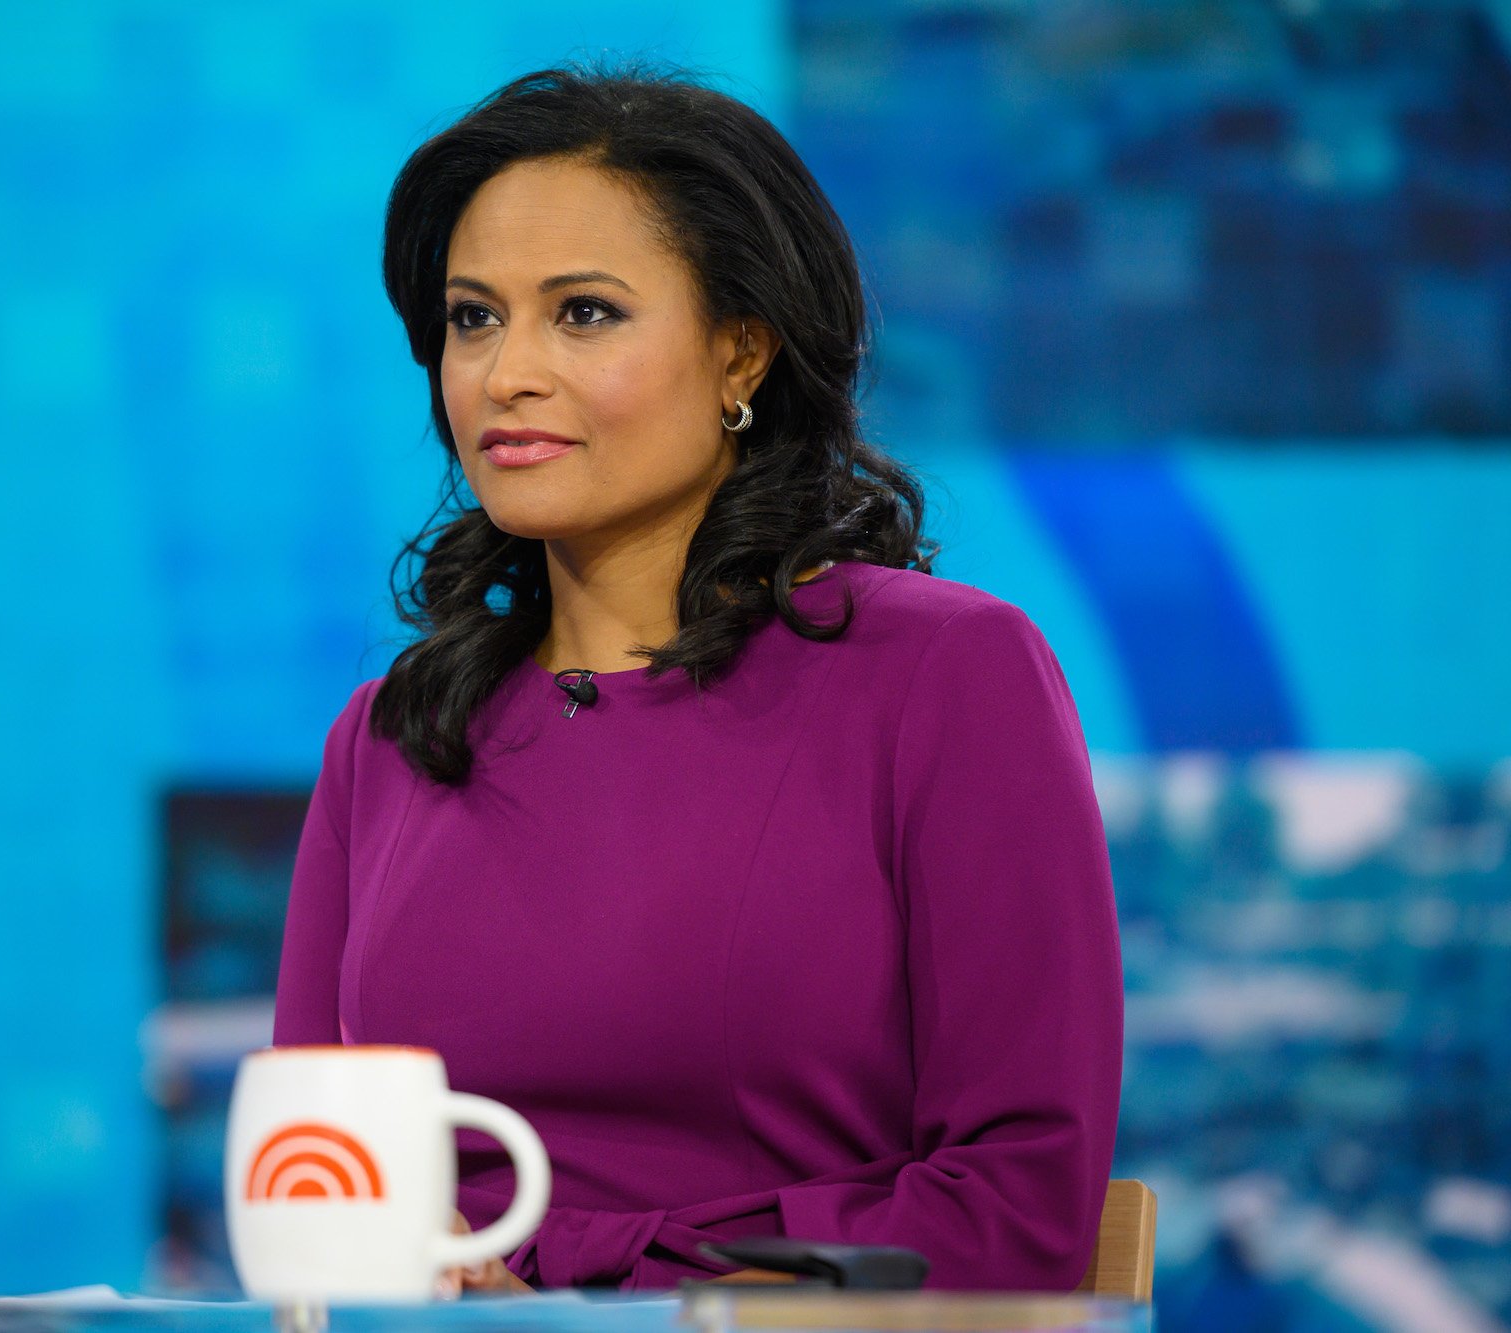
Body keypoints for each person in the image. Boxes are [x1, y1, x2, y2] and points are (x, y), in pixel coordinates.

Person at [272, 64, 1123, 1294]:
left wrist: (581, 1309)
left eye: (582, 314)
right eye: (472, 318)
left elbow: (1016, 1204)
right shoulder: (391, 736)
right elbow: (318, 1199)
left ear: (740, 352)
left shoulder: (943, 675)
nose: (504, 374)